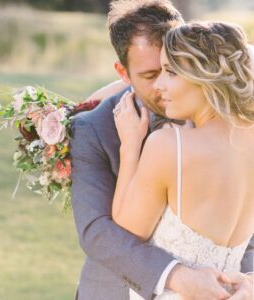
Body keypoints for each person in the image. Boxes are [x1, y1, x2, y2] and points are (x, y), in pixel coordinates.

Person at [70, 1, 254, 299]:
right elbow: (97, 233)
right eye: (150, 75)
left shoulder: (170, 144)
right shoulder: (92, 128)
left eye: (170, 71)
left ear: (201, 72)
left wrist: (250, 278)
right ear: (123, 73)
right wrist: (178, 277)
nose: (161, 86)